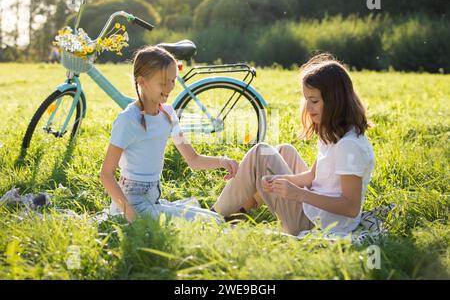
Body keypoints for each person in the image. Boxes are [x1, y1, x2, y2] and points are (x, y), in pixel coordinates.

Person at [211, 53, 375, 236]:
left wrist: (298, 194)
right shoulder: (334, 134)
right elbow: (312, 176)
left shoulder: (349, 146)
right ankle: (238, 212)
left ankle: (212, 216)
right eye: (306, 100)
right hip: (315, 210)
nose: (308, 107)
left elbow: (350, 207)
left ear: (335, 101)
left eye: (314, 101)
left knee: (261, 153)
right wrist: (281, 181)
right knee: (284, 151)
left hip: (317, 224)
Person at [100, 45, 239, 223]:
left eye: (173, 80)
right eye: (163, 82)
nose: (170, 87)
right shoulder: (128, 120)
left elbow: (193, 159)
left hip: (153, 199)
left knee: (211, 218)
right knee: (211, 223)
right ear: (142, 81)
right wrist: (131, 216)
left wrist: (222, 161)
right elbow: (106, 174)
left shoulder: (168, 113)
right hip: (131, 204)